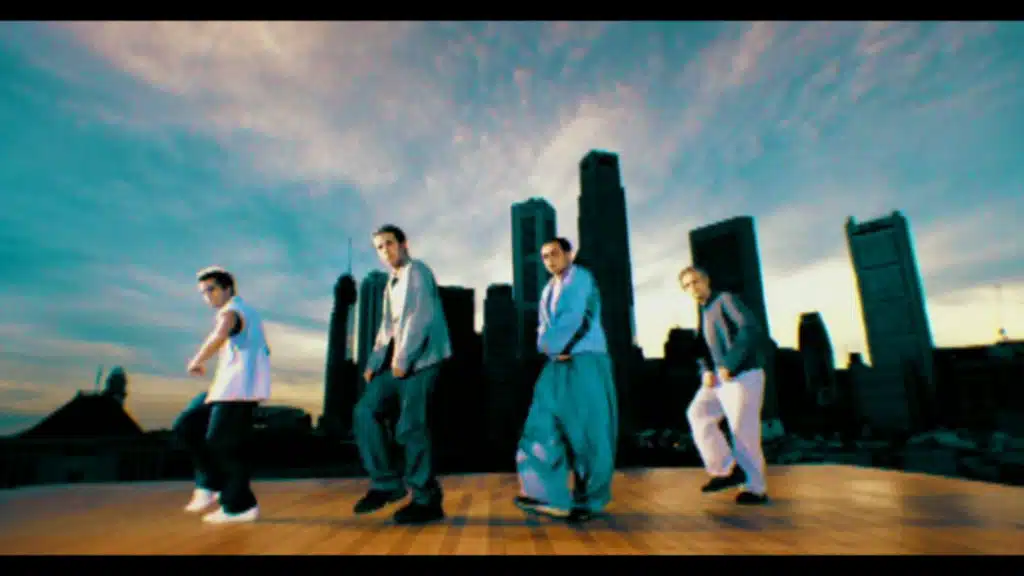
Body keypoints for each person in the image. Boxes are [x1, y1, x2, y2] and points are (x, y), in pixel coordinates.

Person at [352, 224, 452, 525]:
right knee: (365, 411)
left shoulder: (418, 271)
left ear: (403, 244)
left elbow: (420, 317)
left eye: (389, 244)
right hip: (399, 362)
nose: (385, 251)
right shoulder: (390, 284)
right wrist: (373, 363)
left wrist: (404, 358)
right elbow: (387, 327)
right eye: (379, 247)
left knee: (410, 427)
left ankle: (426, 500)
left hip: (423, 361)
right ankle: (386, 484)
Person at [514, 237, 619, 523]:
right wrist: (550, 349)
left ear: (569, 254)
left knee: (590, 432)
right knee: (540, 423)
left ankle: (590, 501)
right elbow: (542, 328)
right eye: (545, 256)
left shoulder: (581, 278)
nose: (549, 260)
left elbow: (576, 317)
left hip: (585, 360)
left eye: (555, 254)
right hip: (556, 363)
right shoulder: (548, 289)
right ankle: (546, 495)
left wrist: (558, 346)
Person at [173, 266, 271, 523]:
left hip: (238, 392)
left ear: (228, 289)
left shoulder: (233, 310)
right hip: (224, 389)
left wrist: (197, 360)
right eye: (204, 292)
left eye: (212, 290)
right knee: (187, 426)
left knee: (222, 445)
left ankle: (240, 506)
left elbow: (220, 333)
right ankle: (208, 486)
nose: (208, 296)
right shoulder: (248, 314)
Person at [679, 265, 769, 505]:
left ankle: (755, 488)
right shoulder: (704, 311)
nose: (693, 287)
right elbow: (701, 348)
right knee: (698, 414)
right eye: (687, 285)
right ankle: (725, 469)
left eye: (696, 281)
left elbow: (750, 328)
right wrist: (706, 370)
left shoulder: (725, 299)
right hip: (719, 380)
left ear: (706, 280)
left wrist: (730, 363)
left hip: (744, 374)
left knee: (743, 431)